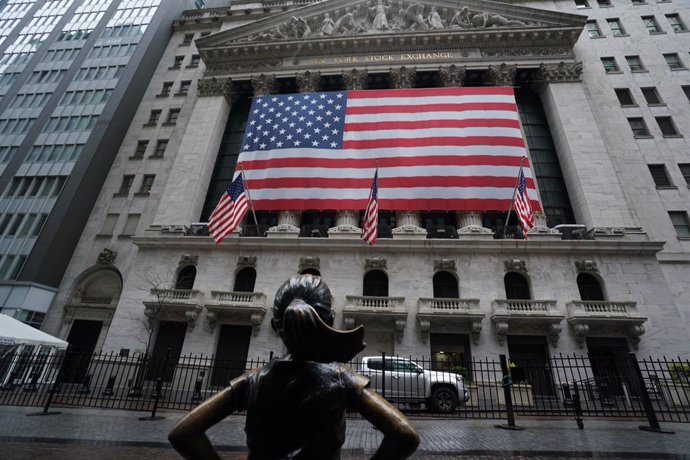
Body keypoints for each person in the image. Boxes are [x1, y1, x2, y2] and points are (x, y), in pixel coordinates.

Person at [169, 274, 419, 460]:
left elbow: (183, 433)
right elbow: (404, 435)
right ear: (329, 320)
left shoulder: (252, 381)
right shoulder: (343, 380)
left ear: (277, 327)